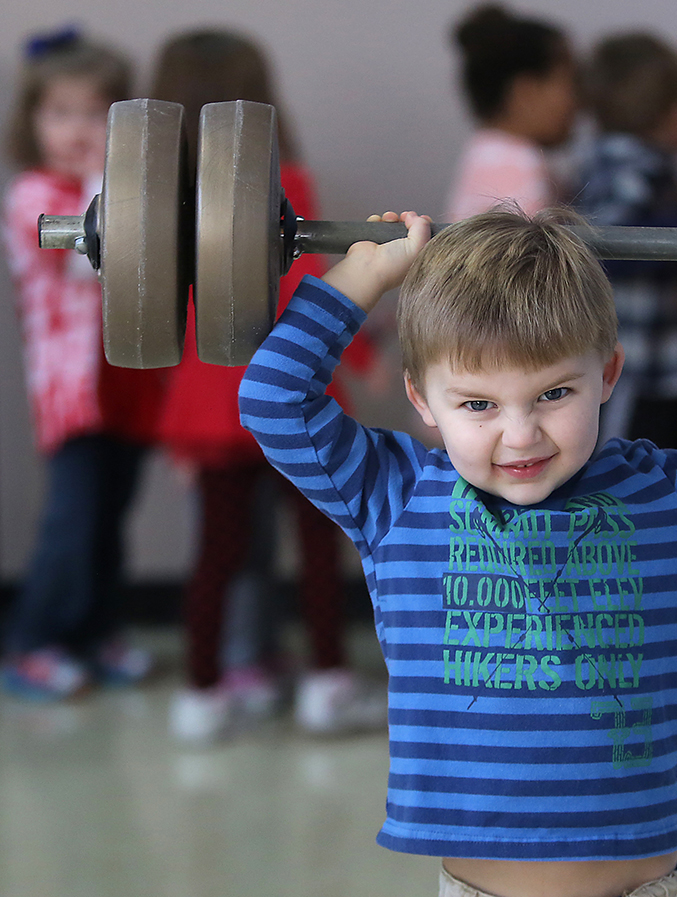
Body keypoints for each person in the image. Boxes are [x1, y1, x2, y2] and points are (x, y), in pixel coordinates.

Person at [237, 206, 677, 897]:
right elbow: (273, 399)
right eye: (477, 404)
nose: (521, 433)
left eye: (553, 395)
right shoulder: (395, 497)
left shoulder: (664, 498)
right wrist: (363, 276)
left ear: (606, 374)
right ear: (420, 399)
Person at [148, 29, 384, 744]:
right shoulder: (288, 190)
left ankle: (201, 692)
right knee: (315, 544)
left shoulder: (158, 206)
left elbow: (155, 316)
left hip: (207, 404)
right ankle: (326, 683)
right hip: (289, 396)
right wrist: (368, 357)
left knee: (217, 553)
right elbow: (313, 290)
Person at [2, 29, 163, 699]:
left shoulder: (120, 190)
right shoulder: (30, 195)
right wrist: (110, 168)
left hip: (128, 384)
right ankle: (33, 641)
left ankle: (96, 633)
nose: (75, 129)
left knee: (110, 517)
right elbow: (92, 253)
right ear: (32, 121)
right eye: (58, 112)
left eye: (95, 113)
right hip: (72, 392)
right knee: (71, 521)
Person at [574, 32, 677, 449]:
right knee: (627, 470)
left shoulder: (644, 167)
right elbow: (604, 245)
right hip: (637, 365)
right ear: (672, 113)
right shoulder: (628, 170)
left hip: (665, 360)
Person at [445, 4, 577, 221]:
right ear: (526, 93)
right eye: (571, 83)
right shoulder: (521, 166)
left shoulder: (484, 152)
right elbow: (530, 253)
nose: (578, 102)